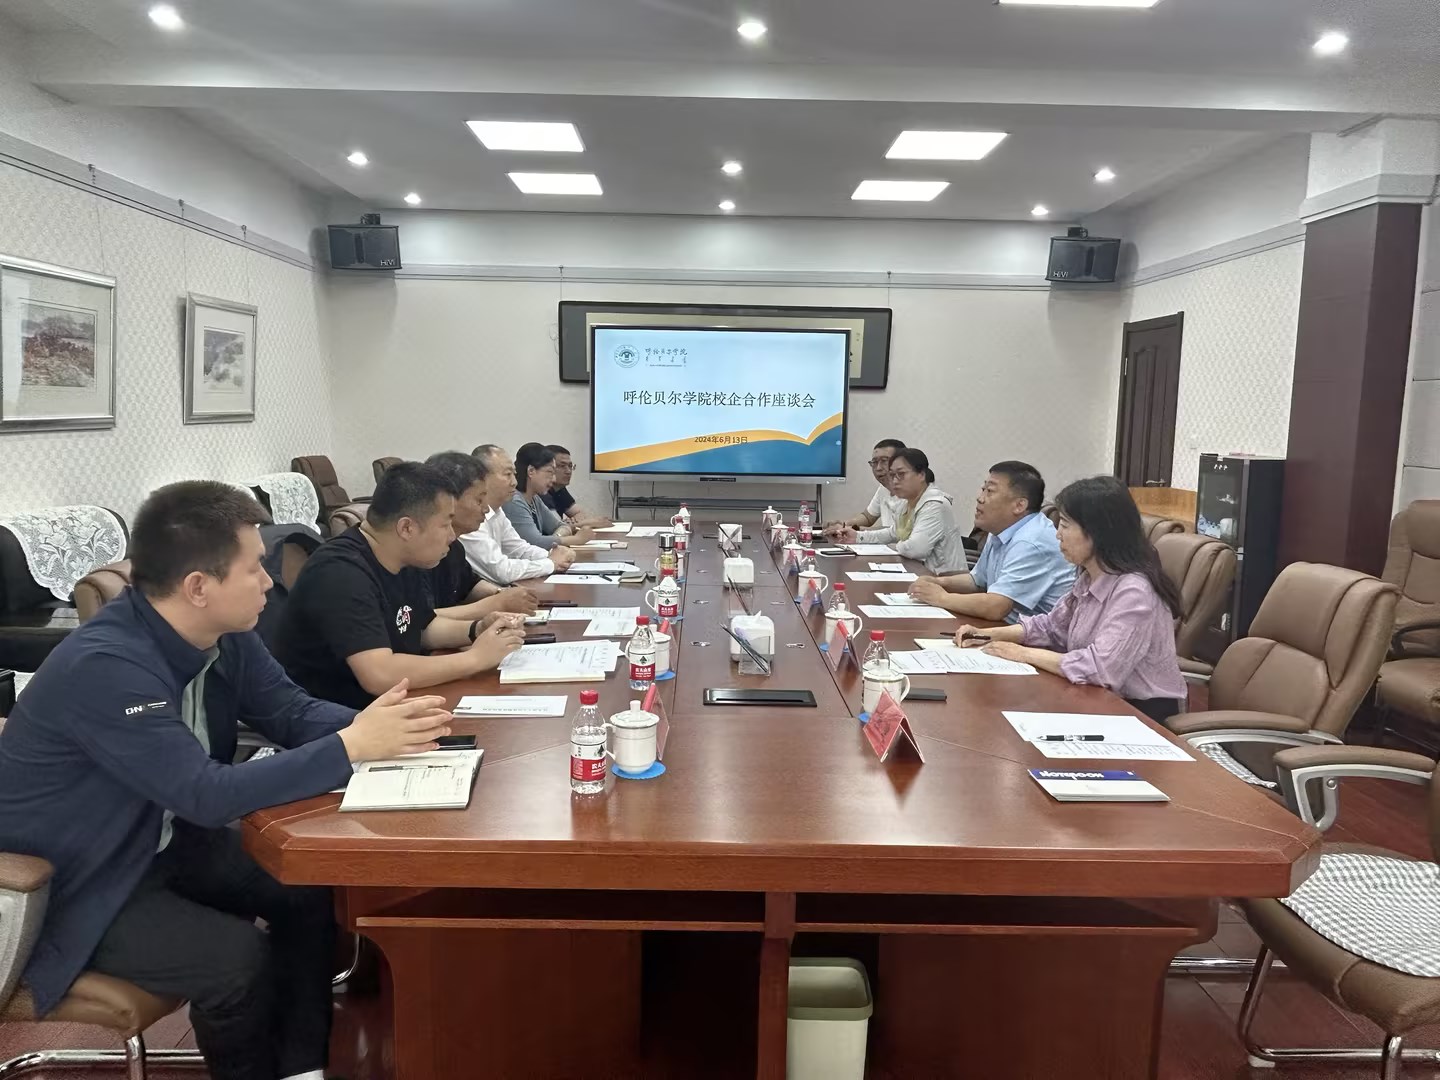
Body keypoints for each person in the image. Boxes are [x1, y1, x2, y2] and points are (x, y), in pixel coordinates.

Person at [0, 480, 454, 1080]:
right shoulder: (107, 664)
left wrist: (401, 725)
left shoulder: (224, 633)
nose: (269, 582)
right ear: (198, 587)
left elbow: (290, 710)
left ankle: (301, 1069)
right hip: (74, 880)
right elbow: (204, 794)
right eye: (255, 568)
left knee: (304, 887)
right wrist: (353, 744)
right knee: (234, 961)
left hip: (157, 839)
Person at [273, 461, 525, 709]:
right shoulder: (340, 572)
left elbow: (420, 628)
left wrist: (477, 629)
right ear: (406, 528)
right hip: (336, 719)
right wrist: (475, 658)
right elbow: (379, 674)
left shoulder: (401, 558)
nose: (451, 535)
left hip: (389, 707)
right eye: (445, 523)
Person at [956, 475, 1186, 723]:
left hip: (1140, 714)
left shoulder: (1134, 591)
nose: (1058, 535)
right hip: (1095, 698)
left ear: (1097, 532)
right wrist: (989, 635)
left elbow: (1100, 668)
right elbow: (1051, 627)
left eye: (1065, 525)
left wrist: (1022, 654)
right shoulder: (1090, 576)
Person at [909, 460, 1075, 622]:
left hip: (1035, 635)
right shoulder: (1002, 529)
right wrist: (939, 582)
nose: (980, 498)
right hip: (1006, 626)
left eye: (990, 491)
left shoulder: (1031, 542)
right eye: (983, 489)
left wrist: (941, 597)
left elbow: (996, 607)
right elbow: (978, 581)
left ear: (1019, 505)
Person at [424, 451, 539, 619]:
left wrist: (502, 594)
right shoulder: (417, 555)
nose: (486, 509)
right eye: (479, 500)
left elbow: (469, 587)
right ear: (448, 500)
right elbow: (422, 621)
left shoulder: (455, 547)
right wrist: (496, 604)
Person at [831, 448, 967, 575]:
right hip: (917, 573)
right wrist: (857, 537)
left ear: (921, 475)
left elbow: (915, 549)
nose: (894, 481)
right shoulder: (906, 503)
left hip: (945, 580)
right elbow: (893, 533)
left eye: (901, 474)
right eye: (892, 475)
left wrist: (889, 548)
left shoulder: (935, 505)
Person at [462, 444, 577, 584]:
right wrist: (551, 563)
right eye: (507, 474)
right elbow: (501, 571)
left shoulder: (497, 511)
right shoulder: (468, 516)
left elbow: (519, 549)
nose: (514, 482)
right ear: (482, 477)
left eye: (514, 474)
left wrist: (554, 555)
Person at [504, 443, 596, 550]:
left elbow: (562, 526)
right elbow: (534, 542)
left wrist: (554, 539)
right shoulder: (514, 501)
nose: (553, 479)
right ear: (531, 471)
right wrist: (576, 539)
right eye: (550, 472)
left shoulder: (534, 499)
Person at [823, 438, 905, 534]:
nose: (878, 468)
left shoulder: (912, 491)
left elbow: (898, 533)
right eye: (874, 462)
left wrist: (855, 530)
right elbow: (868, 517)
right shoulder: (883, 488)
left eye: (884, 461)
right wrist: (843, 525)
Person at [543, 444, 612, 529]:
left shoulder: (559, 489)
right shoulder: (542, 493)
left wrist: (573, 523)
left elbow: (578, 513)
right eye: (562, 466)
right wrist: (587, 523)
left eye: (570, 466)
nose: (568, 471)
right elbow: (553, 528)